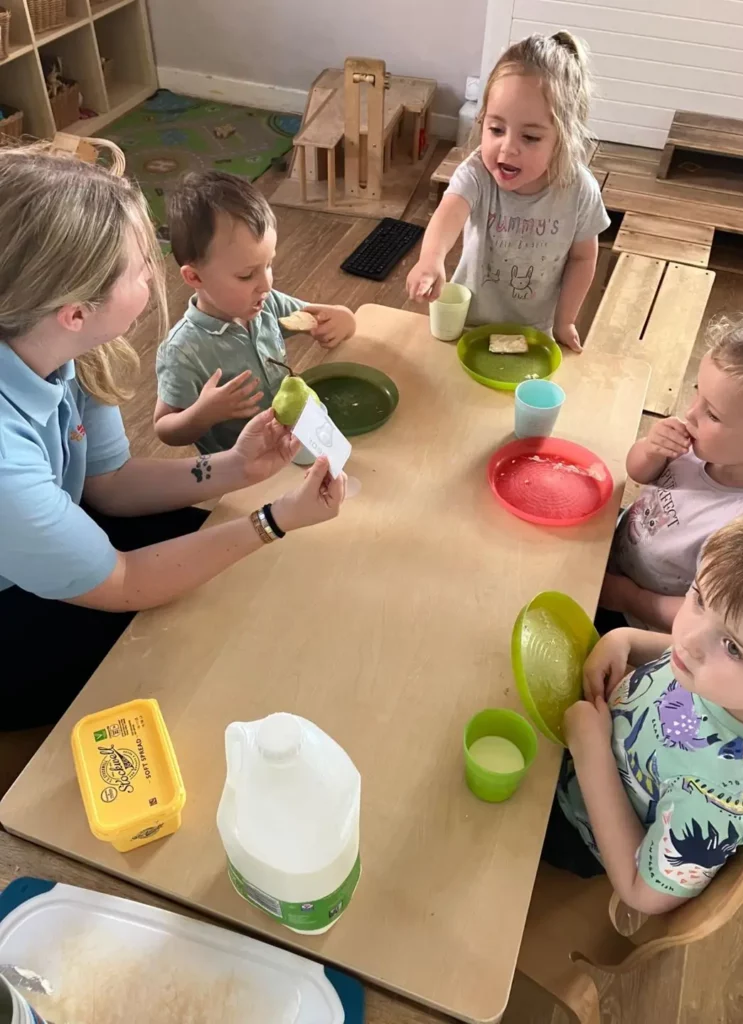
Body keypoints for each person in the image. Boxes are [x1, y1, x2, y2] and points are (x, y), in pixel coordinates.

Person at [0, 147, 346, 731]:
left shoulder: (71, 351)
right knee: (190, 650)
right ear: (75, 312)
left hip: (59, 546)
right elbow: (126, 579)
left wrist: (235, 468)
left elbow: (108, 484)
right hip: (12, 622)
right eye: (139, 270)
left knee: (228, 573)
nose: (155, 274)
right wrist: (274, 518)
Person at [544, 505, 743, 914]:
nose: (688, 638)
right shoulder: (721, 675)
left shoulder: (718, 801)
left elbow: (640, 893)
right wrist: (626, 638)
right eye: (699, 598)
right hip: (584, 733)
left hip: (569, 819)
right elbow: (683, 650)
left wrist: (591, 754)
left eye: (733, 647)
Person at [406, 31, 609, 352]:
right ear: (482, 122)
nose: (508, 148)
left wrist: (565, 321)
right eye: (496, 129)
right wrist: (431, 260)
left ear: (563, 138)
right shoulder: (476, 173)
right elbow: (449, 213)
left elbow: (584, 258)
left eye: (530, 137)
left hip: (532, 334)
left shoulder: (579, 189)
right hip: (467, 323)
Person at [154, 171, 356, 454]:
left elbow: (325, 318)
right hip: (239, 471)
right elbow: (164, 427)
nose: (265, 284)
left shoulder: (266, 303)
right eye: (247, 275)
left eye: (269, 265)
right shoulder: (183, 350)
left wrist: (343, 317)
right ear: (195, 278)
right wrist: (204, 413)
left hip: (287, 444)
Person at [598, 312, 743, 633]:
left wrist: (628, 598)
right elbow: (637, 472)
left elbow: (705, 617)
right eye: (696, 392)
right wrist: (650, 448)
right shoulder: (701, 442)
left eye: (713, 414)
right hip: (614, 550)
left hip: (635, 621)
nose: (690, 413)